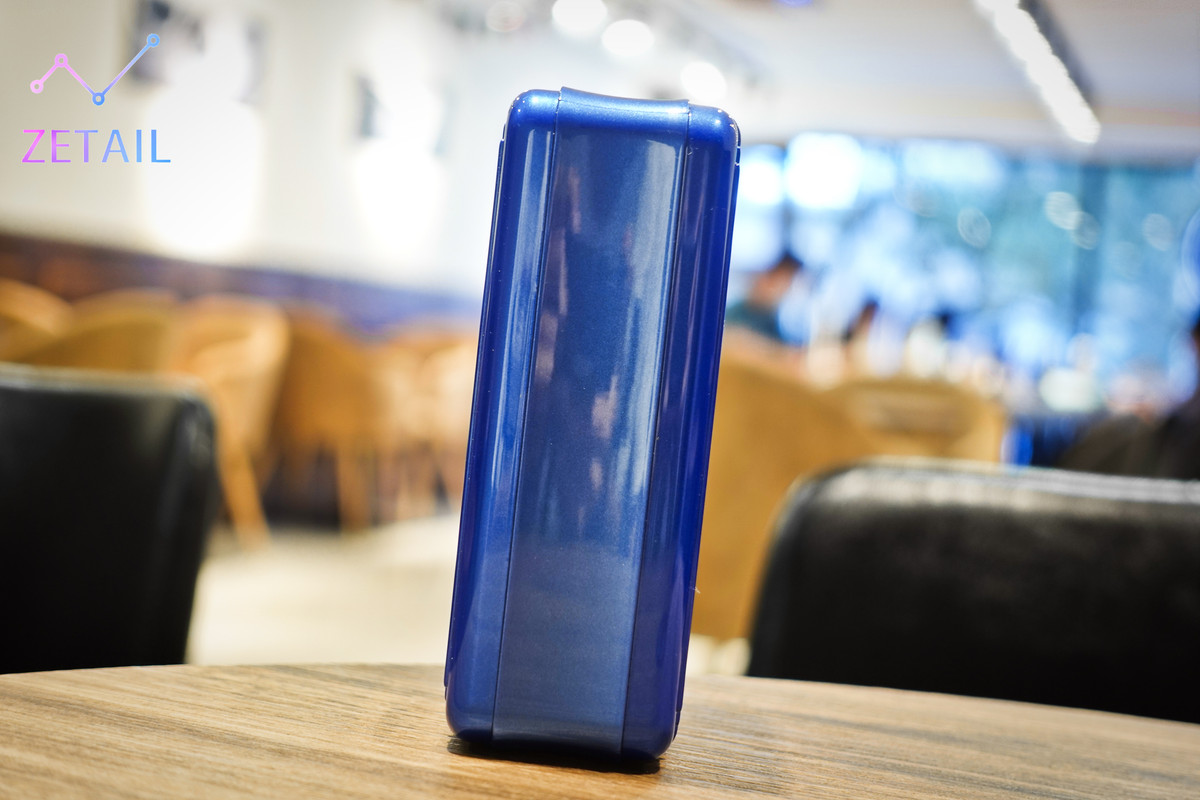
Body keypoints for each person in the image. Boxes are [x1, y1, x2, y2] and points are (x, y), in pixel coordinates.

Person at [1056, 314, 1200, 480]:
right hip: (1170, 463)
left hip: (1174, 472)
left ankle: (1066, 481)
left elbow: (1186, 422)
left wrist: (1158, 417)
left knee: (1124, 431)